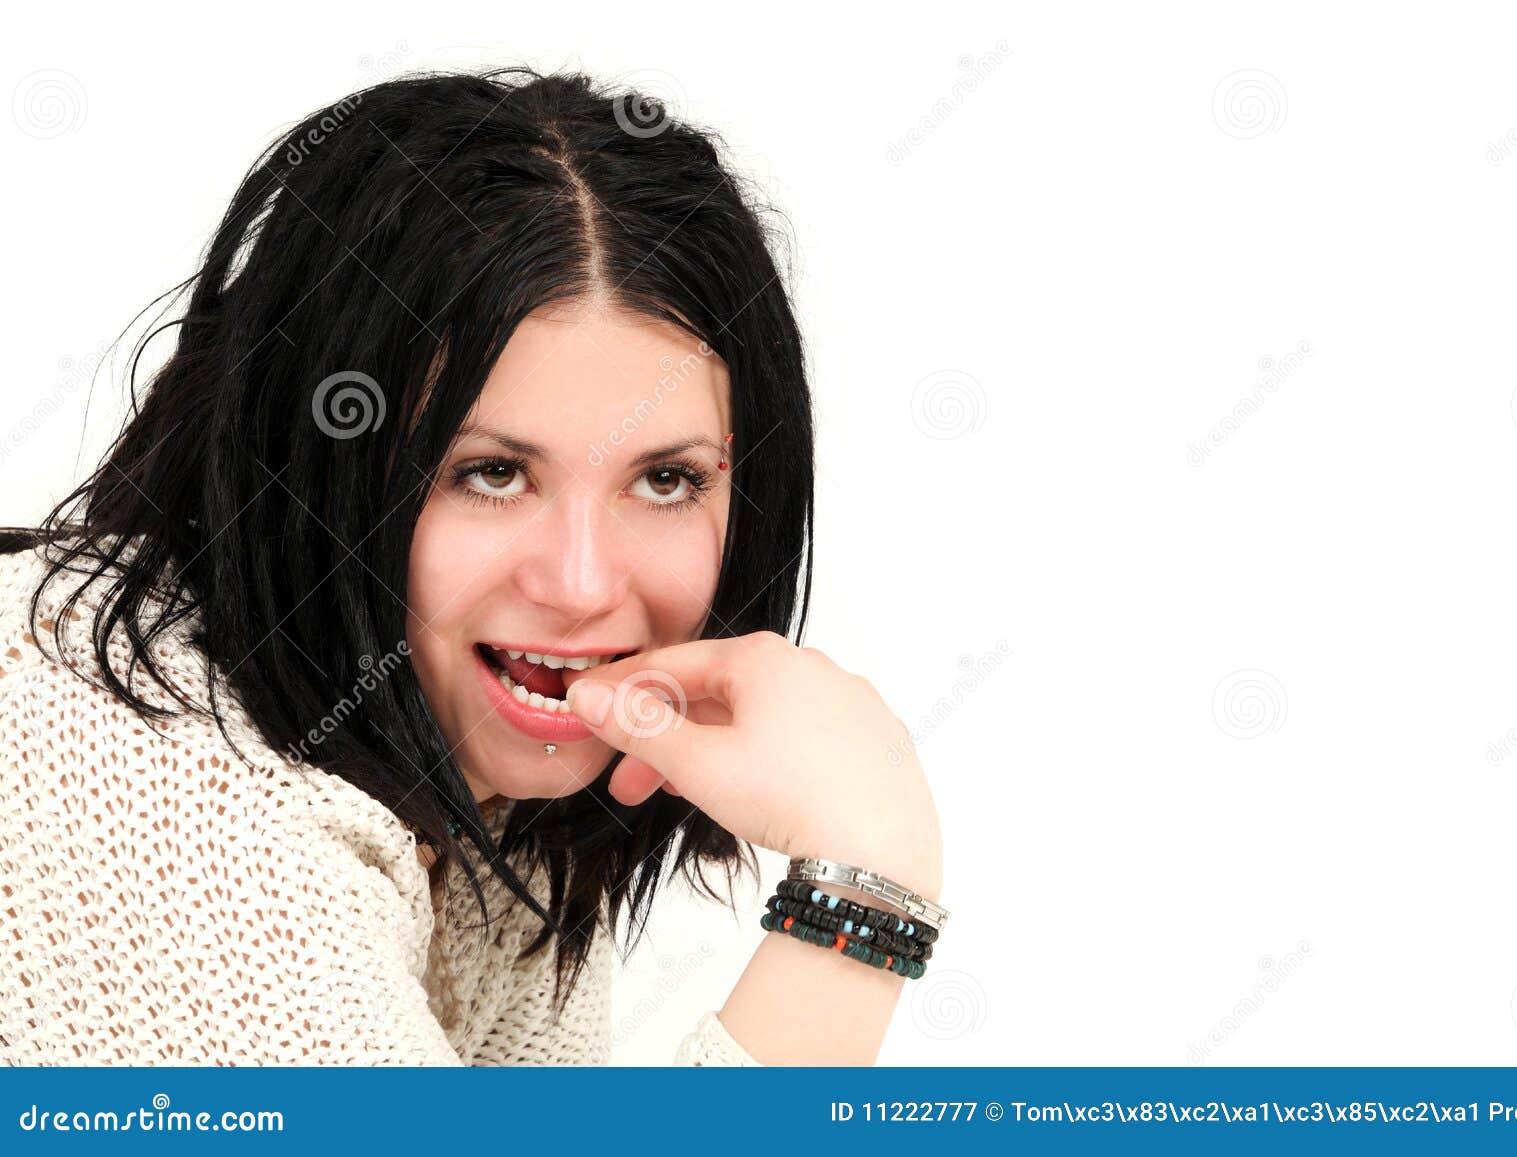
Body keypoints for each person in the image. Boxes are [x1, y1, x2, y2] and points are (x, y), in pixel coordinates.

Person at [0, 67, 943, 1065]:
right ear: (313, 460)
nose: (581, 584)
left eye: (665, 480)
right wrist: (866, 890)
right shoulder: (147, 785)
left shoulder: (461, 782)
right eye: (488, 473)